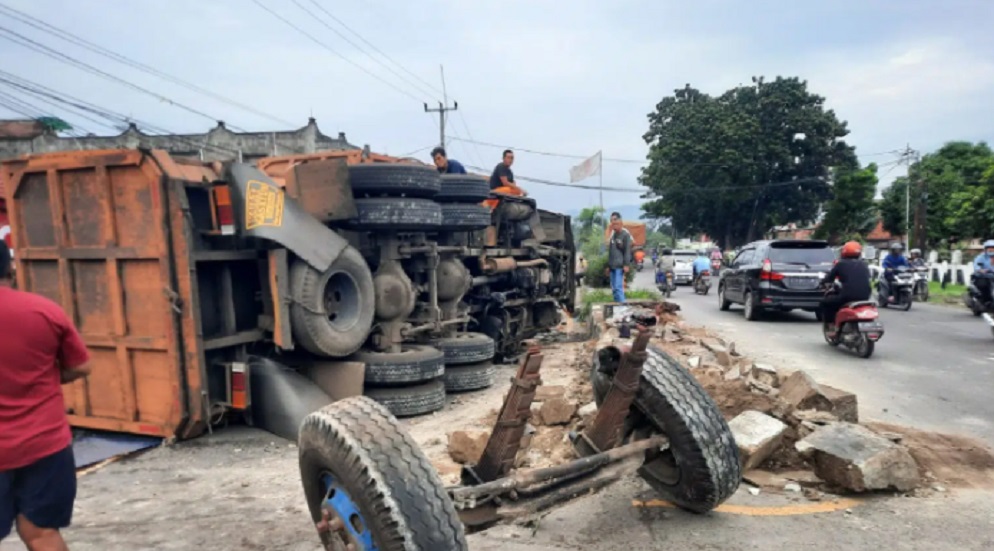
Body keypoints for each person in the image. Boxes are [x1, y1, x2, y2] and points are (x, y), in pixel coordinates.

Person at [1, 240, 91, 550]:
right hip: (46, 444)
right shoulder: (44, 310)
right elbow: (82, 366)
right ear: (10, 268)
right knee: (41, 532)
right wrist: (43, 376)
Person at [819, 241, 873, 333]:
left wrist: (822, 283)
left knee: (826, 303)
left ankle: (831, 325)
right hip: (865, 296)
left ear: (844, 252)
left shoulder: (840, 264)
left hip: (847, 296)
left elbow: (829, 278)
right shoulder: (864, 265)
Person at [606, 212, 633, 303]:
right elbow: (611, 252)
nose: (613, 224)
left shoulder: (625, 235)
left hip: (619, 266)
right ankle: (617, 307)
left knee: (618, 288)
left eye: (615, 222)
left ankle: (623, 308)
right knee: (614, 289)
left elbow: (627, 251)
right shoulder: (613, 235)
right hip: (612, 266)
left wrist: (626, 264)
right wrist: (608, 266)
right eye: (612, 222)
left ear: (620, 222)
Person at [971, 239, 994, 304]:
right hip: (984, 276)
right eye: (990, 248)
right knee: (982, 286)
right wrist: (981, 270)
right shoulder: (981, 257)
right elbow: (976, 266)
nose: (991, 250)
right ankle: (981, 298)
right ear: (986, 249)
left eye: (993, 248)